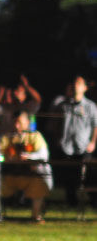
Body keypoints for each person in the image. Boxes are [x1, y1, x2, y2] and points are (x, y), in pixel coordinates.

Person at [0, 111, 52, 222]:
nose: (17, 126)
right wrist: (2, 157)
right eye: (15, 123)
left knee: (39, 185)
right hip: (11, 175)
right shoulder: (7, 137)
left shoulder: (35, 136)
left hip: (31, 175)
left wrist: (29, 156)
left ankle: (36, 216)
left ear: (27, 123)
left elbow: (44, 155)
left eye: (19, 123)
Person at [48, 75, 97, 208]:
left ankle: (93, 201)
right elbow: (56, 123)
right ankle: (71, 202)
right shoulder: (63, 105)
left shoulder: (91, 106)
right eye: (75, 83)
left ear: (85, 88)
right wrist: (58, 139)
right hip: (67, 146)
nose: (76, 86)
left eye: (79, 83)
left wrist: (92, 142)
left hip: (83, 146)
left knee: (88, 175)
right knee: (68, 176)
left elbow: (95, 125)